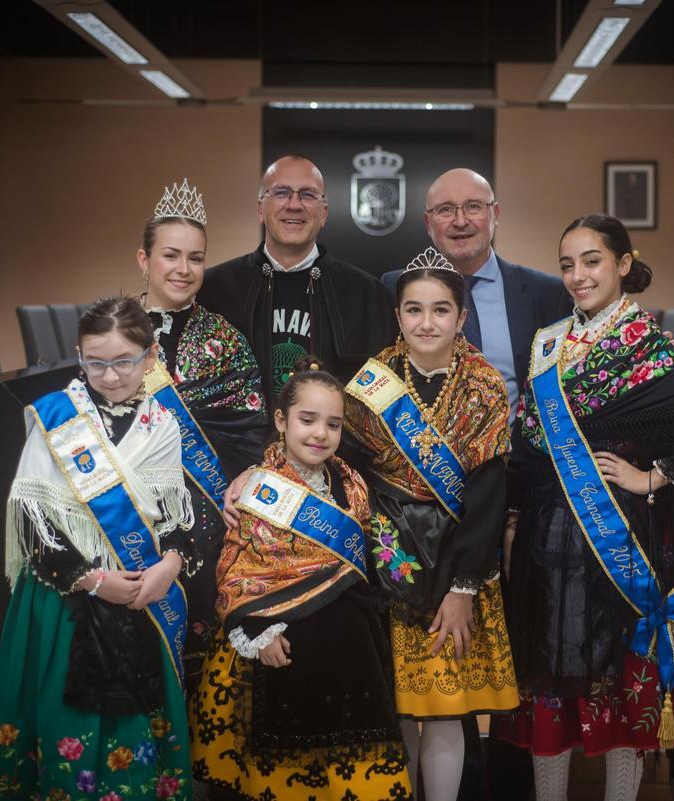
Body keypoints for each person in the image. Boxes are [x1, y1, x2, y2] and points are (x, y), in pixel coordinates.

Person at [497, 214, 674, 801]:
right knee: (550, 691)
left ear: (624, 264)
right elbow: (532, 443)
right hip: (547, 542)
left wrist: (653, 477)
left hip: (617, 544)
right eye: (567, 264)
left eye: (592, 261)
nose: (578, 276)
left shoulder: (647, 343)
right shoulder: (549, 341)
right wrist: (511, 519)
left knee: (621, 692)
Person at [0, 297, 198, 801]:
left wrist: (170, 565)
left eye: (125, 361)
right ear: (79, 355)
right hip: (63, 603)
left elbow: (178, 517)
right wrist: (95, 581)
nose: (112, 375)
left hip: (143, 595)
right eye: (95, 361)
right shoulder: (57, 418)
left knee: (137, 737)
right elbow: (32, 525)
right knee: (64, 723)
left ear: (151, 355)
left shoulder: (161, 423)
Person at [191, 355, 412, 801]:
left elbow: (369, 548)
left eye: (332, 424)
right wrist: (258, 631)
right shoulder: (258, 486)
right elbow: (235, 567)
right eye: (307, 420)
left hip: (349, 648)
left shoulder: (350, 480)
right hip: (282, 644)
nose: (320, 434)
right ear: (281, 420)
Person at [344, 248, 519, 801]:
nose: (427, 323)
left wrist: (464, 586)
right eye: (414, 310)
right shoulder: (370, 383)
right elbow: (353, 479)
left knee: (444, 711)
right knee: (395, 709)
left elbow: (489, 496)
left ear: (461, 317)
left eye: (441, 310)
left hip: (458, 565)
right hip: (386, 561)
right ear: (397, 315)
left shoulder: (485, 386)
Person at [137, 178, 268, 689]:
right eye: (171, 255)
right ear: (144, 260)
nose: (183, 269)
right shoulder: (112, 331)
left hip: (206, 516)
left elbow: (247, 432)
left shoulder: (224, 338)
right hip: (129, 510)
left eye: (196, 258)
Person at [198, 154, 396, 410]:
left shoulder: (369, 296)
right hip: (242, 449)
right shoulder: (214, 290)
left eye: (307, 194)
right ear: (261, 208)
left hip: (333, 448)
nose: (294, 204)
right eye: (281, 193)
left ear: (324, 213)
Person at [382, 168, 568, 417]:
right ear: (428, 223)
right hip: (422, 450)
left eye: (473, 207)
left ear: (495, 214)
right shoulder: (394, 287)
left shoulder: (546, 293)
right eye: (446, 209)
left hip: (518, 453)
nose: (460, 221)